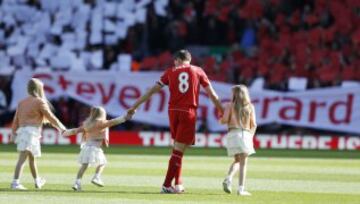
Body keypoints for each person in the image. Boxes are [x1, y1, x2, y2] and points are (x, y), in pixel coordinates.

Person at [127, 49, 223, 193]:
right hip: (188, 112)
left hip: (172, 112)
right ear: (189, 60)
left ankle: (178, 184)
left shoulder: (170, 72)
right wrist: (221, 110)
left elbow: (151, 91)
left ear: (177, 60)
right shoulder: (198, 71)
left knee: (178, 149)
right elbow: (212, 94)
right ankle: (166, 185)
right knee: (178, 150)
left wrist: (134, 106)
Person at [10, 78, 66, 190]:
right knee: (22, 158)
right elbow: (50, 117)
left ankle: (37, 181)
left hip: (23, 132)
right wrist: (61, 127)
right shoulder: (39, 101)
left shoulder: (22, 102)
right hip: (31, 132)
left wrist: (13, 132)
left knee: (32, 158)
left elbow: (16, 119)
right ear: (39, 89)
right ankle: (15, 183)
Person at [62, 106, 131, 191]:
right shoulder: (101, 123)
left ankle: (77, 183)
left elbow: (75, 131)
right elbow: (114, 122)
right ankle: (96, 177)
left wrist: (65, 133)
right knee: (103, 163)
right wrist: (125, 117)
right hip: (95, 147)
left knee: (84, 166)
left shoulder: (87, 123)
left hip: (86, 147)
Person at [219, 85, 257, 196]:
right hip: (244, 133)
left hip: (231, 134)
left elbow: (224, 120)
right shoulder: (250, 106)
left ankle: (228, 178)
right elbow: (254, 124)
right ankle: (241, 189)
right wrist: (250, 137)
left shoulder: (229, 105)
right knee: (243, 163)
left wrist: (220, 118)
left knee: (237, 160)